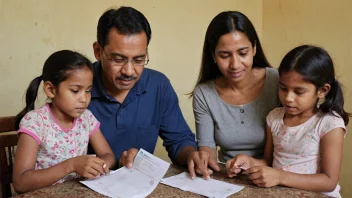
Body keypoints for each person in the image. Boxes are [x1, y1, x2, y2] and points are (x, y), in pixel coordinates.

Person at [227, 45, 349, 197]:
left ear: (322, 91)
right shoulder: (275, 118)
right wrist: (248, 162)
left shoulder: (329, 124)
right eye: (283, 88)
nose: (288, 98)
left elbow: (329, 181)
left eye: (299, 91)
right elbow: (268, 162)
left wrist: (279, 177)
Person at [88, 6, 197, 168]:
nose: (129, 71)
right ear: (98, 51)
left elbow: (179, 141)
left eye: (139, 60)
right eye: (118, 59)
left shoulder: (158, 86)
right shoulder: (76, 88)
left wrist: (192, 156)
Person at [187, 11, 280, 179]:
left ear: (254, 49)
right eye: (225, 55)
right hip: (229, 177)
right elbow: (207, 147)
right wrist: (204, 160)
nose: (235, 65)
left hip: (274, 175)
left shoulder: (278, 82)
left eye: (243, 53)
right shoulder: (204, 93)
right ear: (213, 55)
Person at [13, 50, 116, 193]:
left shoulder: (86, 118)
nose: (84, 99)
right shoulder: (36, 122)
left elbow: (108, 155)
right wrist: (71, 165)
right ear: (50, 90)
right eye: (75, 90)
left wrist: (98, 166)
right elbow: (20, 183)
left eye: (88, 90)